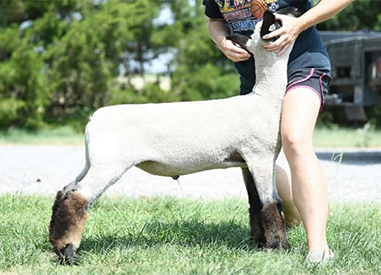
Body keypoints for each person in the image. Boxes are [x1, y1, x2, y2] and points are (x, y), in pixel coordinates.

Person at [203, 0, 354, 266]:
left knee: (295, 139)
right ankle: (293, 217)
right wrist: (221, 41)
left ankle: (318, 248)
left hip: (302, 64)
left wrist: (300, 24)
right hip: (258, 80)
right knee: (254, 158)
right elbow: (215, 21)